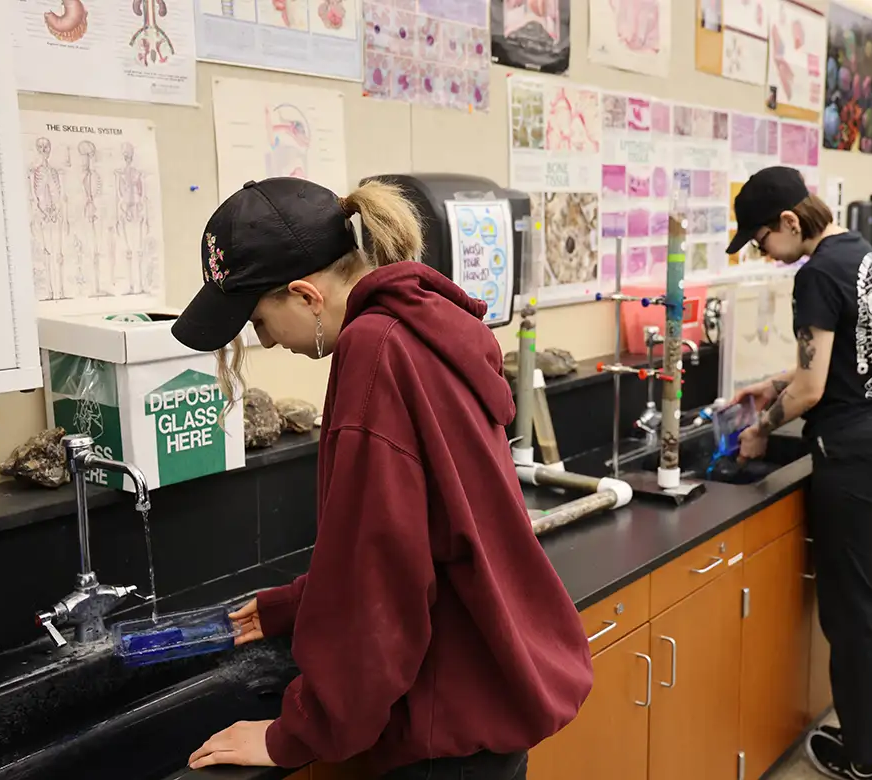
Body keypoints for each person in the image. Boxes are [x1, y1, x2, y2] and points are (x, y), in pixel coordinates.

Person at [173, 177, 593, 778]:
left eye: (260, 319)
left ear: (305, 295)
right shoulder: (426, 323)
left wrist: (298, 733)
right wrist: (297, 604)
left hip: (437, 733)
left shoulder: (373, 351)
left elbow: (385, 577)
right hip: (485, 702)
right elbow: (423, 524)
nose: (264, 339)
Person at [728, 167, 872, 780]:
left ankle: (866, 759)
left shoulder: (814, 273)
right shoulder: (859, 251)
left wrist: (760, 427)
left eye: (760, 240)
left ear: (788, 222)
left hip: (854, 452)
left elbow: (814, 390)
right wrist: (773, 383)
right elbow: (843, 360)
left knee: (850, 610)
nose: (763, 253)